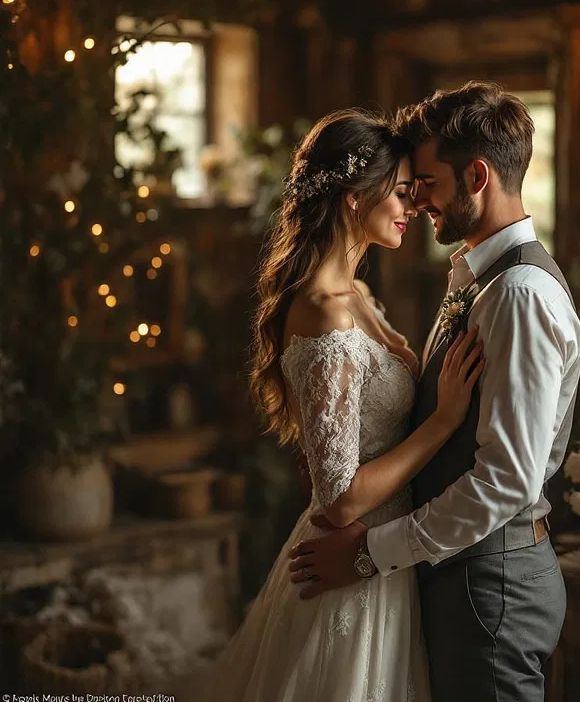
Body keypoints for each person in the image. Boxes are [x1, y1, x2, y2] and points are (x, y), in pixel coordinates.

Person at [288, 82, 580, 702]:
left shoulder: (518, 296)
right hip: (455, 574)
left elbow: (507, 481)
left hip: (490, 582)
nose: (417, 200)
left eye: (426, 182)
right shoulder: (479, 279)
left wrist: (372, 554)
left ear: (476, 177)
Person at [177, 109, 483, 701]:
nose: (413, 207)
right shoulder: (324, 311)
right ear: (352, 197)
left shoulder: (359, 293)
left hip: (385, 558)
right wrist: (445, 421)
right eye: (398, 192)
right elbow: (341, 500)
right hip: (350, 568)